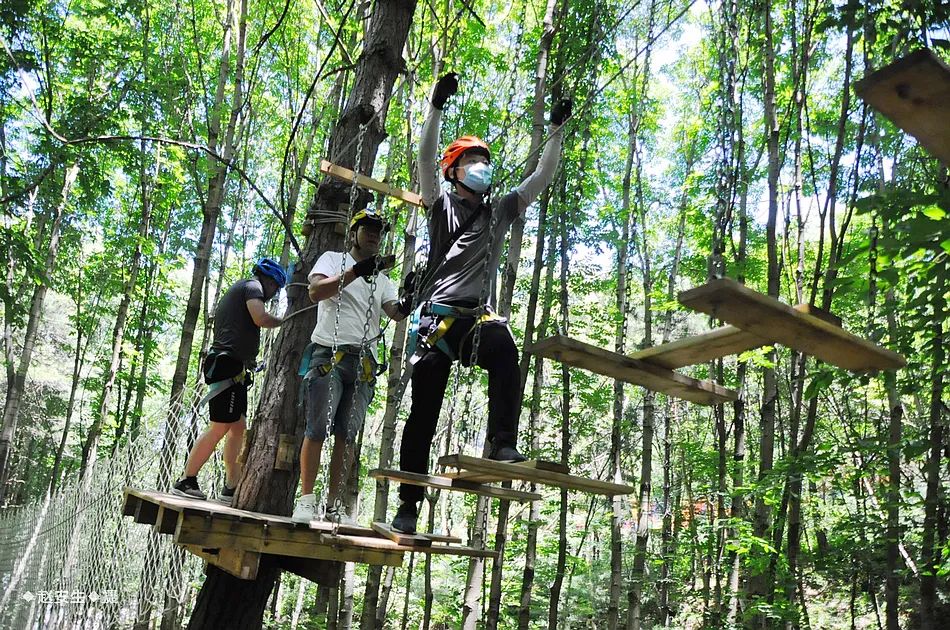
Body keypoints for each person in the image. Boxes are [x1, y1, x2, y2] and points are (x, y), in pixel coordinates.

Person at [391, 73, 571, 534]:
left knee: (505, 349)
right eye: (472, 160)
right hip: (437, 319)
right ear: (455, 170)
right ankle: (409, 501)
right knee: (425, 403)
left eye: (484, 161)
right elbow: (426, 159)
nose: (481, 167)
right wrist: (434, 107)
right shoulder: (441, 205)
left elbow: (540, 179)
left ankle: (501, 443)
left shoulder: (499, 210)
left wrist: (556, 130)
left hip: (476, 318)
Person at [292, 209, 411, 524]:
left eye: (378, 230)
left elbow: (394, 313)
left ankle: (333, 505)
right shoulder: (333, 260)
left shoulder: (383, 280)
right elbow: (317, 291)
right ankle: (306, 501)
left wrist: (411, 297)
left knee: (347, 435)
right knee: (317, 429)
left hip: (363, 365)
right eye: (368, 229)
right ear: (354, 232)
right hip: (328, 356)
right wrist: (358, 270)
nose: (374, 235)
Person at [172, 258, 287, 504]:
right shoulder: (252, 286)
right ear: (268, 280)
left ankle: (231, 487)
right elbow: (260, 318)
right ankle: (187, 480)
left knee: (237, 428)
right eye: (276, 287)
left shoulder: (245, 288)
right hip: (226, 364)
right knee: (221, 426)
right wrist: (286, 321)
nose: (275, 293)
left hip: (233, 366)